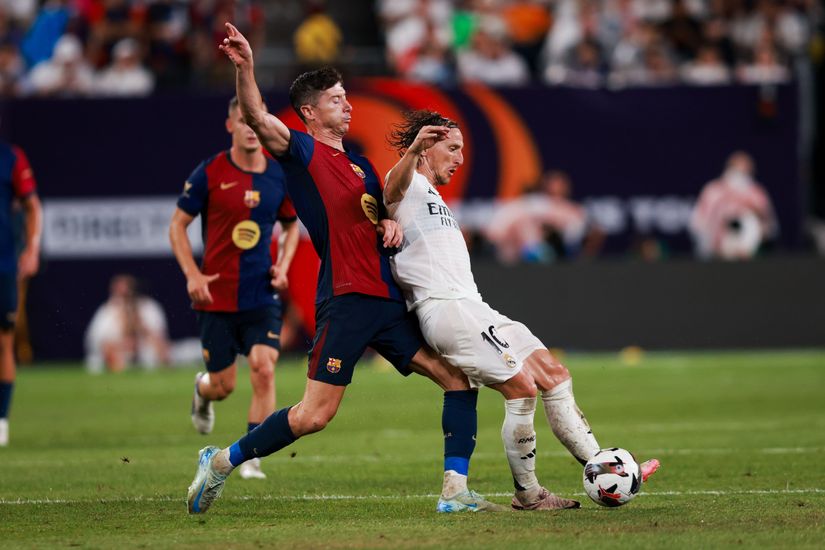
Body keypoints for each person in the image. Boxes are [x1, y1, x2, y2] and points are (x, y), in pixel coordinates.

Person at [186, 22, 495, 515]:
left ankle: (455, 492)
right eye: (336, 99)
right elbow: (258, 117)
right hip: (347, 298)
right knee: (314, 415)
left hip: (387, 299)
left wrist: (390, 226)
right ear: (310, 112)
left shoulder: (362, 166)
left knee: (457, 380)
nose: (347, 105)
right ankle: (221, 460)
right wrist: (245, 66)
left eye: (347, 97)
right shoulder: (303, 153)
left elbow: (383, 211)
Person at [383, 110, 660, 510]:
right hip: (445, 308)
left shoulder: (432, 195)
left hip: (473, 306)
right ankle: (529, 494)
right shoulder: (406, 183)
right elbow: (390, 189)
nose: (460, 158)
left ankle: (604, 467)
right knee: (521, 388)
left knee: (553, 373)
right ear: (427, 146)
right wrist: (411, 151)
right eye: (453, 148)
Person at [169, 96, 300, 481]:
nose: (248, 127)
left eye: (253, 121)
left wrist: (284, 266)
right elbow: (177, 225)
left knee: (263, 367)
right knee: (223, 386)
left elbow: (291, 225)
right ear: (230, 126)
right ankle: (203, 389)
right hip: (216, 297)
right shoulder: (209, 173)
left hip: (260, 294)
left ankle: (252, 457)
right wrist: (193, 275)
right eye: (241, 120)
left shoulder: (278, 175)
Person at [0, 139, 41, 446]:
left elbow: (32, 206)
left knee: (4, 341)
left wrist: (32, 248)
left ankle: (1, 421)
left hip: (3, 265)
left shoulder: (11, 157)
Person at [689, 151, 778, 260]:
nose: (740, 174)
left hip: (748, 254)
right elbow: (698, 224)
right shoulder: (713, 190)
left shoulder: (757, 194)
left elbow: (771, 227)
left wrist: (754, 234)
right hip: (716, 256)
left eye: (745, 171)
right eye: (736, 169)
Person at [84, 274, 170, 373]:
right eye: (121, 294)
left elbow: (160, 339)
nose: (125, 298)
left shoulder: (149, 307)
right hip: (117, 354)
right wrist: (122, 344)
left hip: (145, 354)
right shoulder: (107, 311)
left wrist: (141, 329)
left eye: (128, 293)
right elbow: (95, 341)